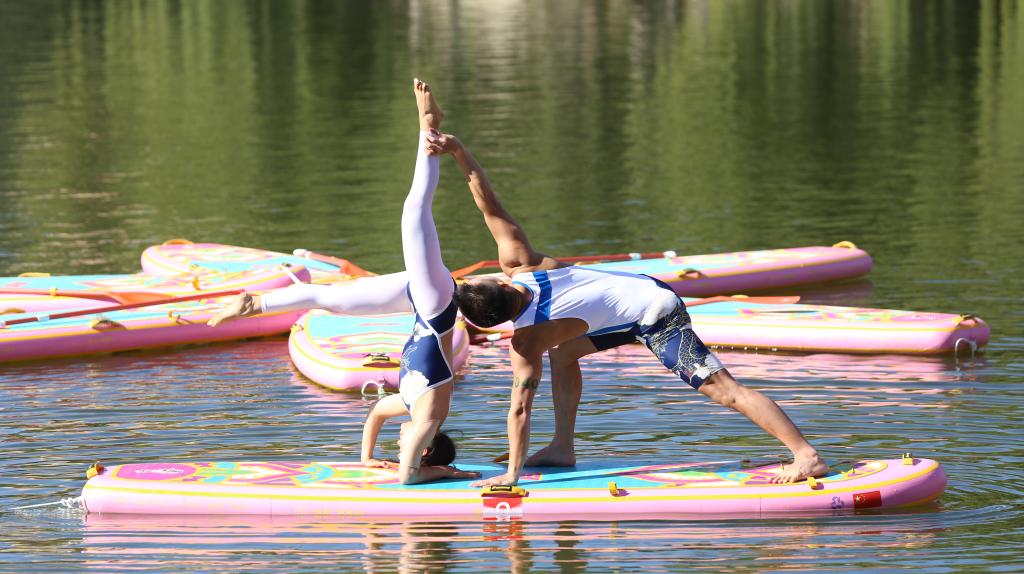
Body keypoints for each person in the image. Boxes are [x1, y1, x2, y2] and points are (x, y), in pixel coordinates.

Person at [423, 130, 829, 487]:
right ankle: (563, 448)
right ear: (499, 282)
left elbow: (519, 407)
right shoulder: (519, 262)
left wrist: (511, 475)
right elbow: (484, 197)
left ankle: (805, 455)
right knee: (565, 350)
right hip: (630, 302)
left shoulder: (525, 341)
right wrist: (457, 150)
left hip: (657, 313)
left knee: (724, 392)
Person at [208, 79, 479, 485]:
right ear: (424, 449)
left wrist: (368, 459)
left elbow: (373, 415)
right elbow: (408, 479)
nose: (400, 439)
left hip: (415, 298)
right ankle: (429, 127)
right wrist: (434, 471)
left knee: (332, 301)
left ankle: (253, 304)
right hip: (435, 301)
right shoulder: (428, 417)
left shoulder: (407, 405)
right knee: (413, 211)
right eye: (404, 445)